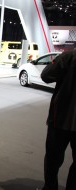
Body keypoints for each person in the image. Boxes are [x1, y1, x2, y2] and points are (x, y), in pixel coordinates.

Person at [39, 49, 76, 190]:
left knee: (53, 159)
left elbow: (46, 75)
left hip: (61, 118)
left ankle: (50, 187)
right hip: (62, 118)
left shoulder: (69, 56)